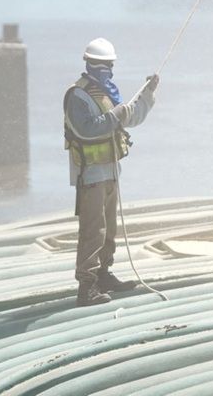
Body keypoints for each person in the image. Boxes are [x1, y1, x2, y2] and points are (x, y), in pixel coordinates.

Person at [64, 38, 159, 306]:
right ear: (89, 64)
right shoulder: (77, 95)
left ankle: (104, 274)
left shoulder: (107, 95)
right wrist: (114, 116)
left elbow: (132, 115)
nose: (105, 69)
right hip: (90, 175)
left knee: (109, 230)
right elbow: (86, 129)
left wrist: (148, 94)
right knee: (93, 231)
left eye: (108, 65)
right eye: (101, 64)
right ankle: (87, 286)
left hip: (110, 172)